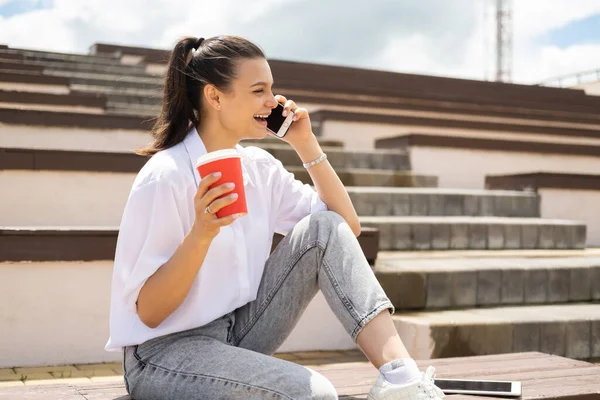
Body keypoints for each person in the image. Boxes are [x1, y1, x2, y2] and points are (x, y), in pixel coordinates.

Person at [105, 34, 445, 400]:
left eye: (271, 89)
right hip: (162, 354)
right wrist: (201, 235)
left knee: (323, 227)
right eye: (258, 90)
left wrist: (305, 143)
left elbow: (345, 227)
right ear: (215, 96)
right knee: (316, 395)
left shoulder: (259, 168)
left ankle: (400, 377)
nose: (273, 101)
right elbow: (150, 313)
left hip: (236, 331)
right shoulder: (166, 176)